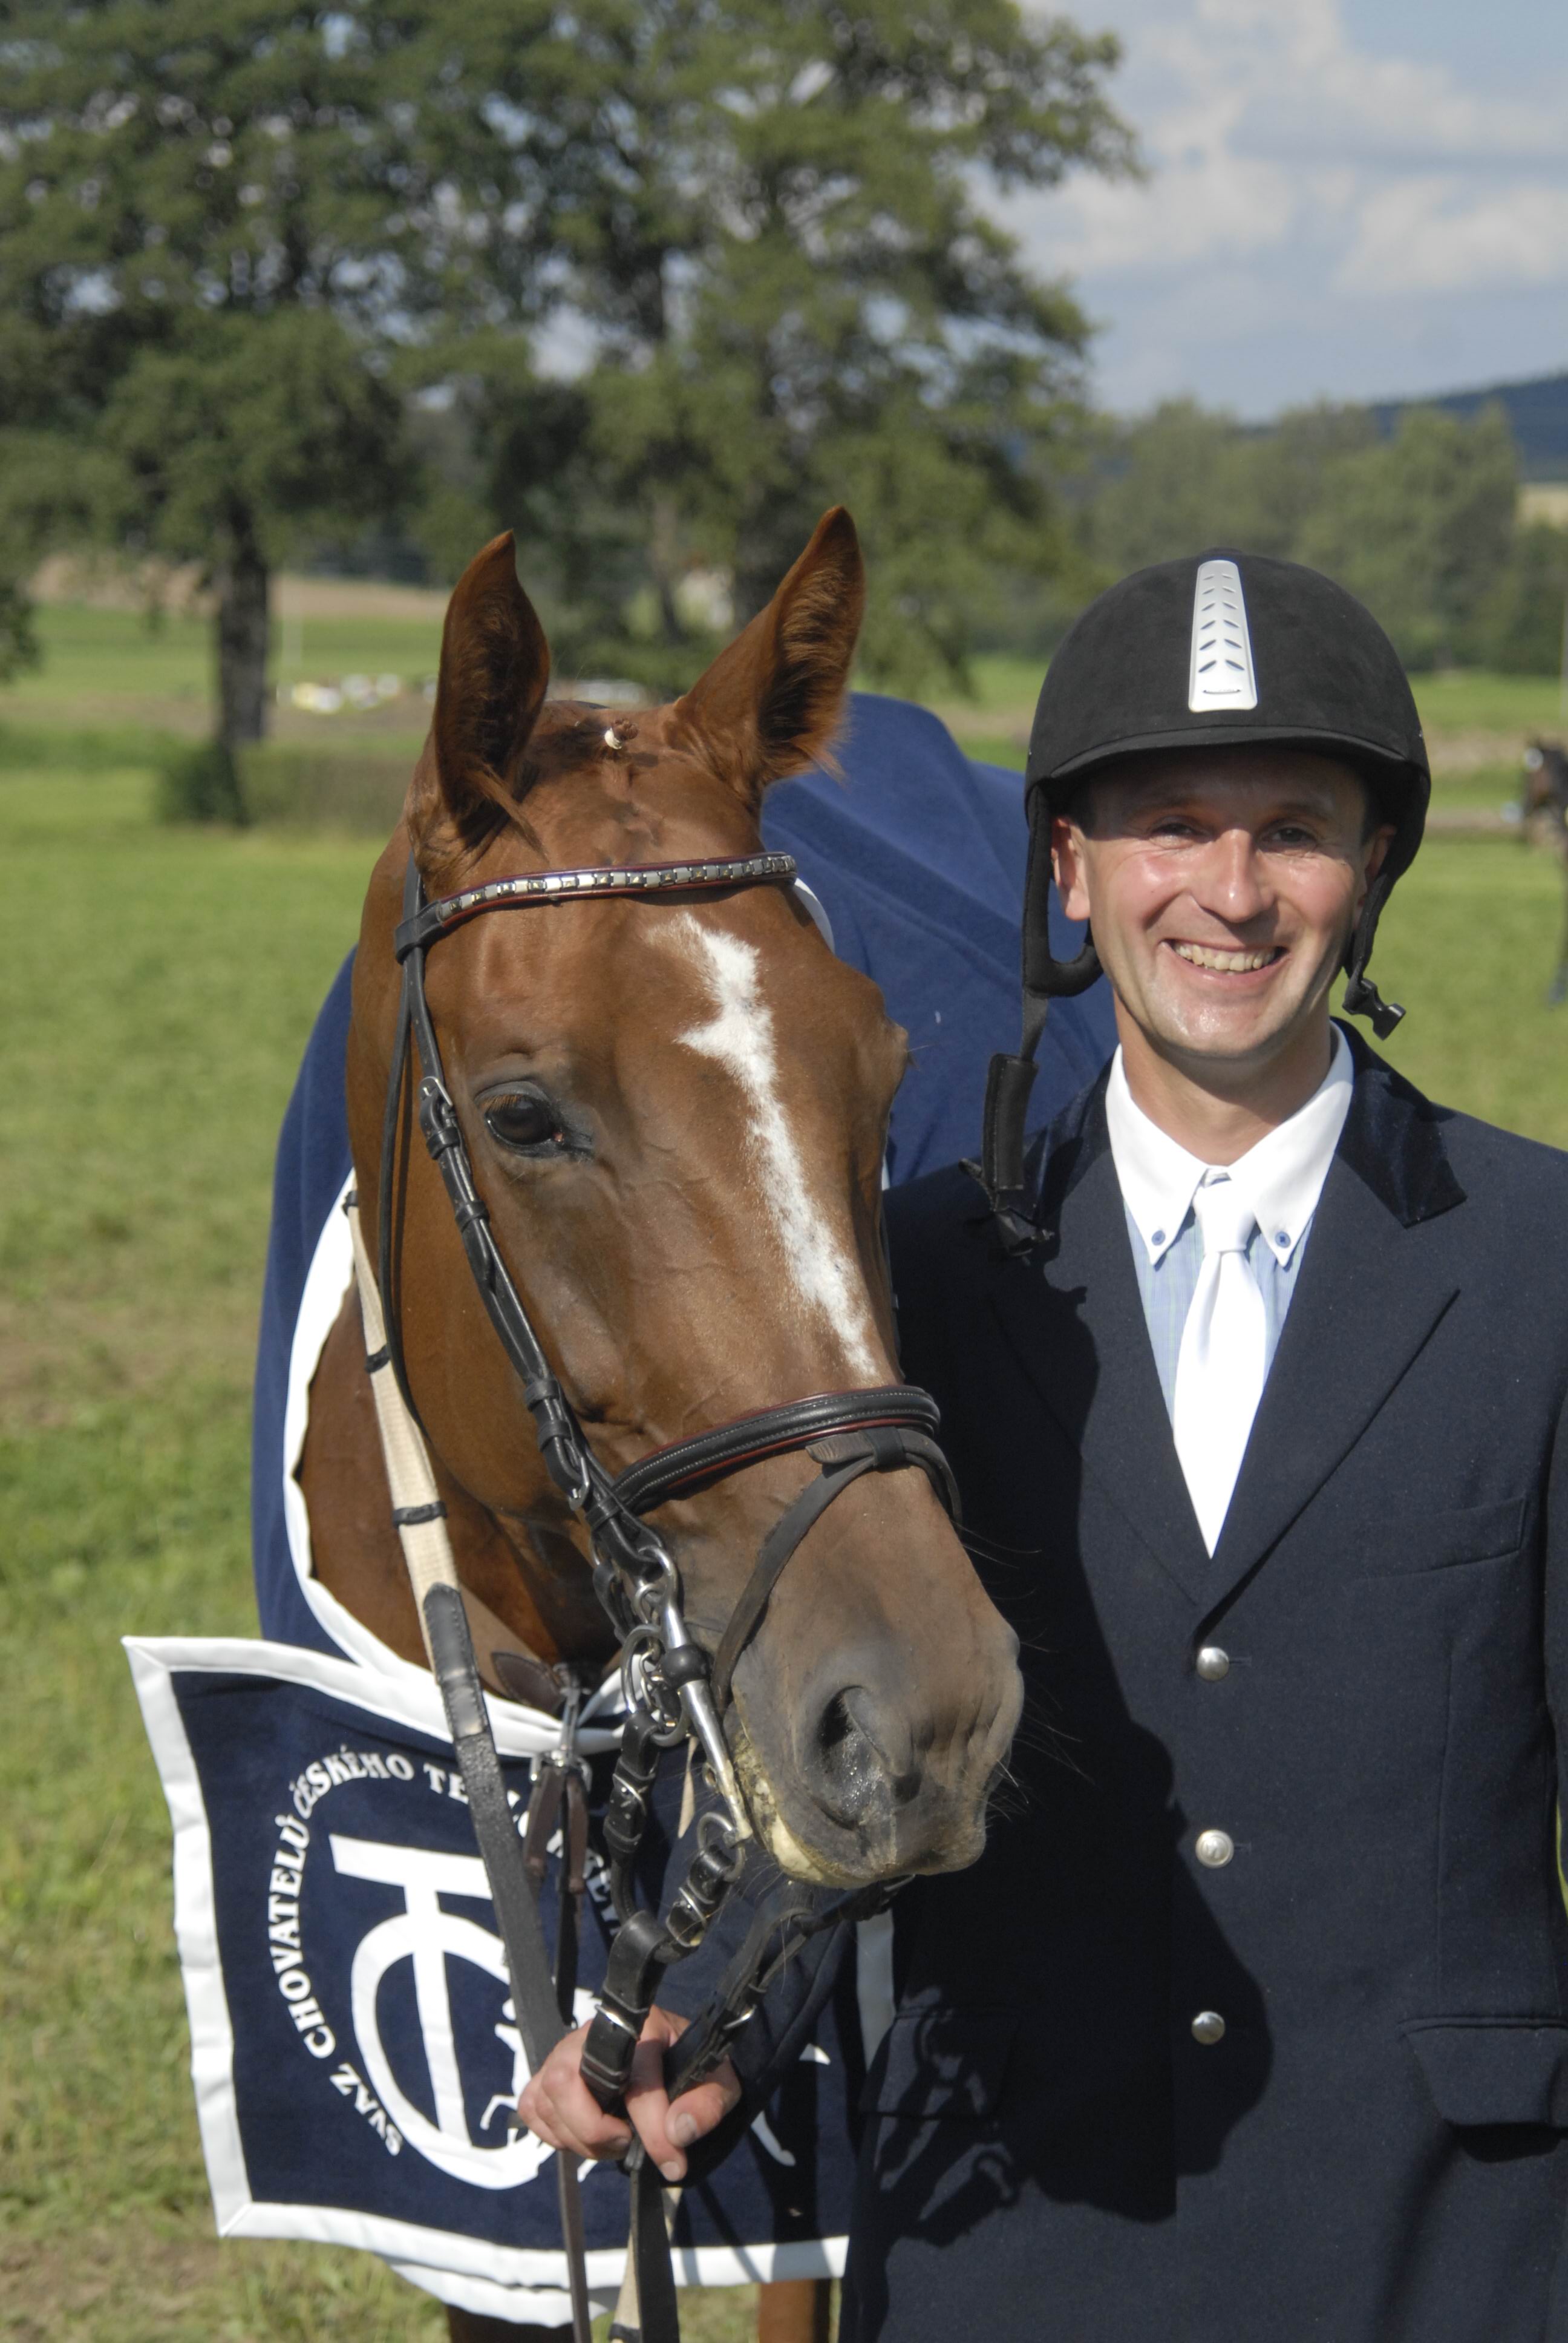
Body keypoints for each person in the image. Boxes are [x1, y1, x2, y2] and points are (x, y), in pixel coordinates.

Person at [520, 551, 1568, 2342]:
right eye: (1167, 826)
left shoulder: (1540, 1259)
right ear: (1070, 870)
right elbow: (829, 1720)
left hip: (1446, 2247)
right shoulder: (909, 1272)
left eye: (1292, 830)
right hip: (1013, 2235)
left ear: (1372, 865)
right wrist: (708, 2018)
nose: (1229, 894)